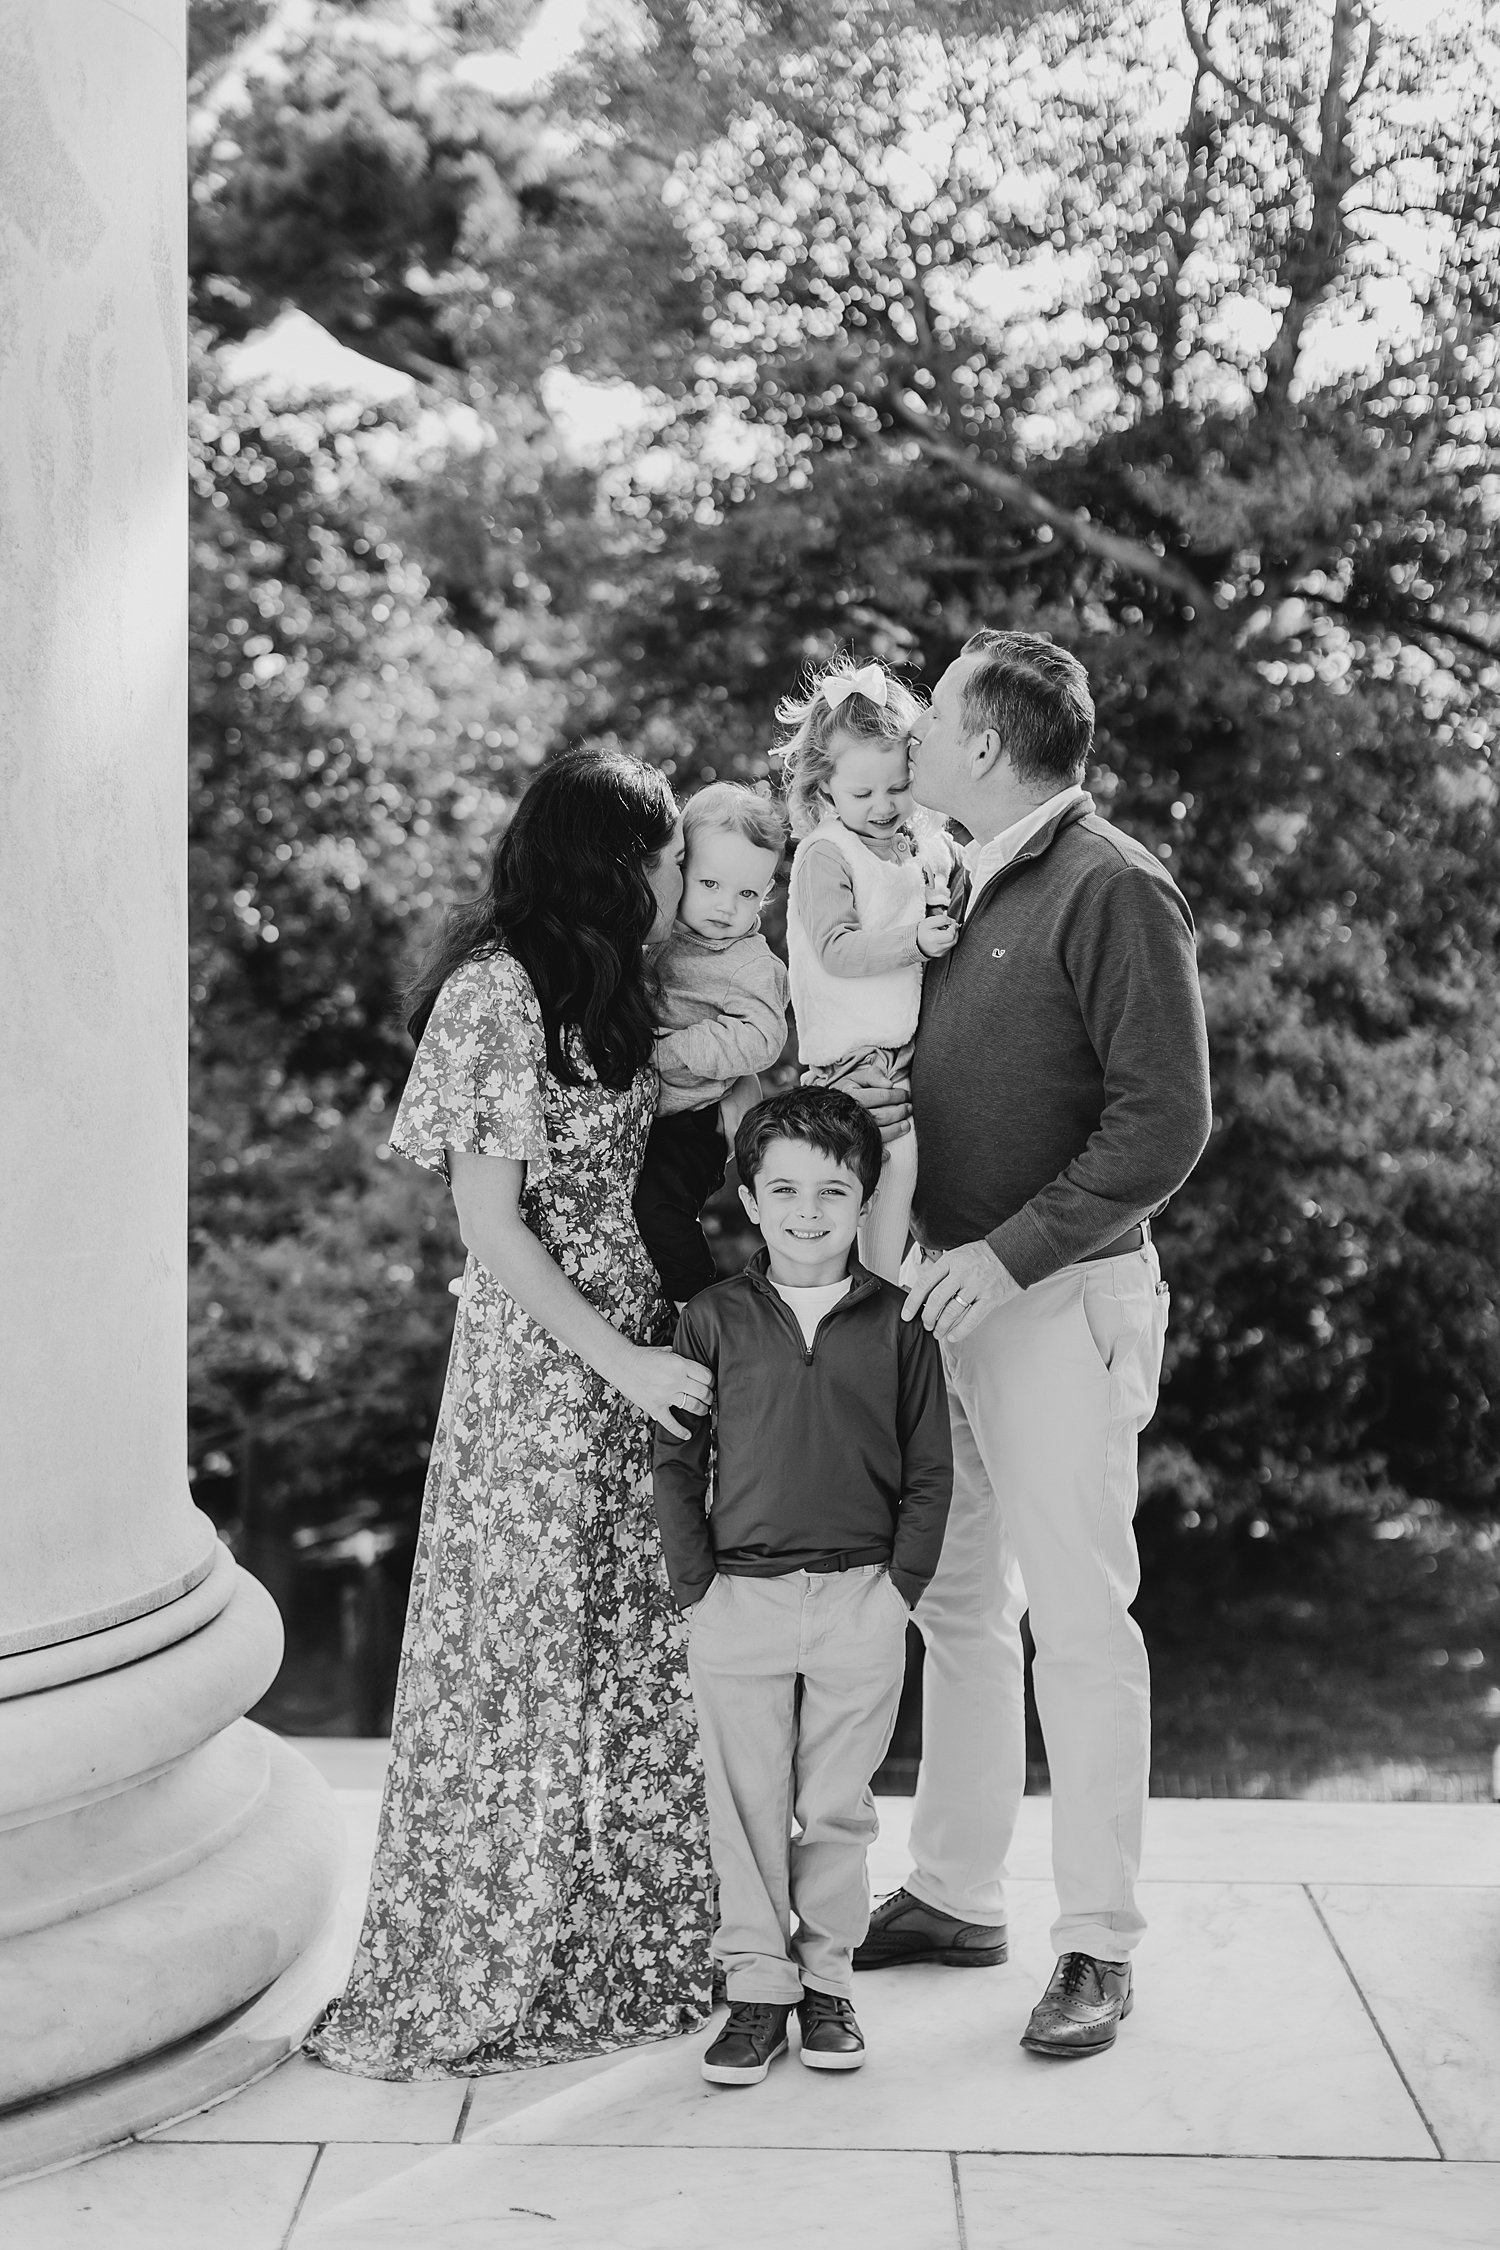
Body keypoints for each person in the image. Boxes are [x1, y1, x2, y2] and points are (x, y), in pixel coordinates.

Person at [308, 746, 716, 2080]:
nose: (677, 882)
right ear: (613, 863)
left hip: (633, 1341)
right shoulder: (493, 998)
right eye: (664, 859)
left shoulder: (617, 987)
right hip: (545, 1369)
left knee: (620, 1640)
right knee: (525, 1650)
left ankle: (615, 1931)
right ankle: (490, 1952)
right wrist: (625, 1363)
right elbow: (491, 1228)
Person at [849, 631, 1212, 2061]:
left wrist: (1006, 1257)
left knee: (1079, 1615)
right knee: (956, 1604)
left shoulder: (1113, 885)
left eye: (938, 715)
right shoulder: (957, 872)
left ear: (990, 745)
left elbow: (1161, 1126)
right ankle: (952, 1891)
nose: (921, 735)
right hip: (945, 1298)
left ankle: (1098, 1943)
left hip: (1056, 1301)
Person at [653, 1086, 953, 2087]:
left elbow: (930, 1473)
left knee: (835, 1805)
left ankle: (827, 1982)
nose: (809, 1210)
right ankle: (756, 1989)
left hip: (861, 1602)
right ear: (748, 1196)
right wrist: (696, 1586)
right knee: (742, 1804)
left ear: (867, 1199)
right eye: (784, 1188)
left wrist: (898, 1592)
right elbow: (675, 1462)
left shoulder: (902, 1326)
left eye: (834, 1189)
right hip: (738, 1600)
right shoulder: (712, 1320)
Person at [778, 659, 960, 1283]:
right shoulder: (825, 854)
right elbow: (836, 949)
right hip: (855, 1054)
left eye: (897, 787)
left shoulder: (912, 847)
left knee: (911, 1169)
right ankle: (872, 1293)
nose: (883, 806)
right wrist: (917, 942)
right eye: (862, 794)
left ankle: (881, 1287)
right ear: (824, 791)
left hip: (900, 1044)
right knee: (891, 1166)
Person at [633, 783, 790, 1306]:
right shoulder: (657, 935)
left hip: (693, 1119)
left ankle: (694, 1309)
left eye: (747, 894)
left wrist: (674, 1050)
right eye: (711, 883)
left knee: (658, 1205)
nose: (727, 906)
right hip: (644, 1111)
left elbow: (764, 1038)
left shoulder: (749, 964)